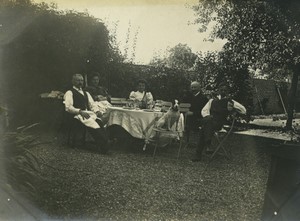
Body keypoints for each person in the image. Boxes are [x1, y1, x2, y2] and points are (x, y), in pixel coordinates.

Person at [192, 83, 246, 162]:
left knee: (204, 127)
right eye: (221, 90)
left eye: (225, 90)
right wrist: (207, 116)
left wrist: (234, 109)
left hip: (219, 123)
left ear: (227, 92)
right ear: (218, 91)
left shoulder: (230, 101)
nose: (223, 91)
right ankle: (207, 145)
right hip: (210, 121)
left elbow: (243, 110)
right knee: (207, 122)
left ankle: (200, 153)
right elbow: (204, 110)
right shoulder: (212, 100)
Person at [63, 73, 109, 153]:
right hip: (76, 114)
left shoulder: (86, 93)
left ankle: (104, 143)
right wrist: (80, 111)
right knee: (92, 123)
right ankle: (104, 145)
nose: (80, 82)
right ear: (73, 81)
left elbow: (92, 104)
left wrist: (97, 111)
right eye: (78, 80)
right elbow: (68, 107)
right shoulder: (69, 92)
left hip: (87, 113)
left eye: (81, 80)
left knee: (99, 121)